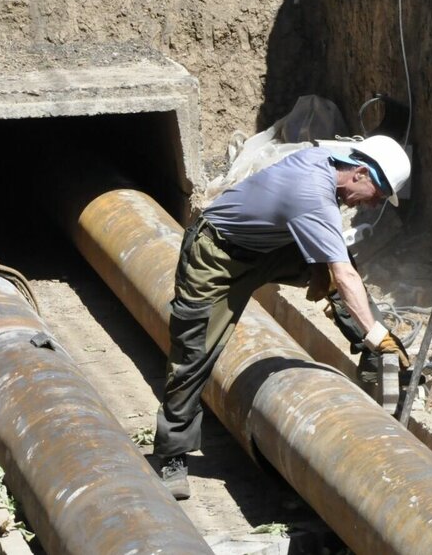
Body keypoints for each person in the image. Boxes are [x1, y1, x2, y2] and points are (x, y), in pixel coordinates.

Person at [152, 135, 412, 499]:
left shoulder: (329, 164)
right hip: (215, 256)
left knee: (338, 269)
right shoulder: (312, 193)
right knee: (193, 352)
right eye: (377, 196)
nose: (372, 206)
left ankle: (375, 358)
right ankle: (170, 453)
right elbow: (345, 276)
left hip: (267, 247)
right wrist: (375, 330)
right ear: (361, 174)